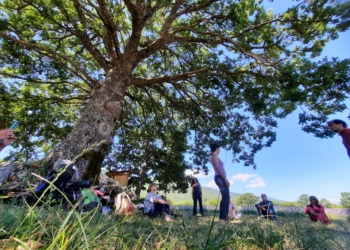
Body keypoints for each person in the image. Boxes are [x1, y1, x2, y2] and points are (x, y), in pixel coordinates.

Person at [210, 143, 230, 224]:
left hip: (221, 177)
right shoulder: (214, 155)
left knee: (227, 197)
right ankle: (222, 219)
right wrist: (225, 179)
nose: (220, 151)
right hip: (220, 177)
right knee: (225, 197)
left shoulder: (215, 156)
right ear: (217, 148)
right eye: (220, 149)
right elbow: (218, 167)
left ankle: (225, 217)